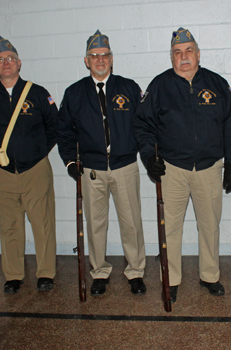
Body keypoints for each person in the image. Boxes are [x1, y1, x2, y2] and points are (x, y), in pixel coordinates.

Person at [134, 27, 231, 303]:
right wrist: (149, 157)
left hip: (208, 168)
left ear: (198, 53)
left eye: (188, 51)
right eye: (177, 53)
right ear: (171, 57)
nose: (184, 57)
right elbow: (143, 126)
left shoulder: (217, 84)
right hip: (173, 169)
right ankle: (171, 280)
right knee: (170, 227)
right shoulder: (159, 86)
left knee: (210, 225)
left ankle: (210, 276)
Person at [57, 30, 146, 297]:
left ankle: (136, 272)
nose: (100, 60)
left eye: (104, 55)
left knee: (131, 222)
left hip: (125, 166)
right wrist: (70, 162)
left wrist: (149, 156)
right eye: (94, 56)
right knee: (95, 225)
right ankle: (99, 272)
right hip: (91, 169)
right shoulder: (74, 93)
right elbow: (64, 132)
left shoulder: (129, 88)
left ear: (111, 59)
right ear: (86, 61)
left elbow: (143, 126)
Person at [0, 36, 58, 294]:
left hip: (35, 171)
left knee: (42, 223)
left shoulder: (38, 93)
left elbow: (54, 127)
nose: (6, 63)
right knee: (9, 225)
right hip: (3, 174)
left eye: (10, 59)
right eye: (0, 60)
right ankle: (13, 275)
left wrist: (35, 153)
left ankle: (45, 273)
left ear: (19, 63)